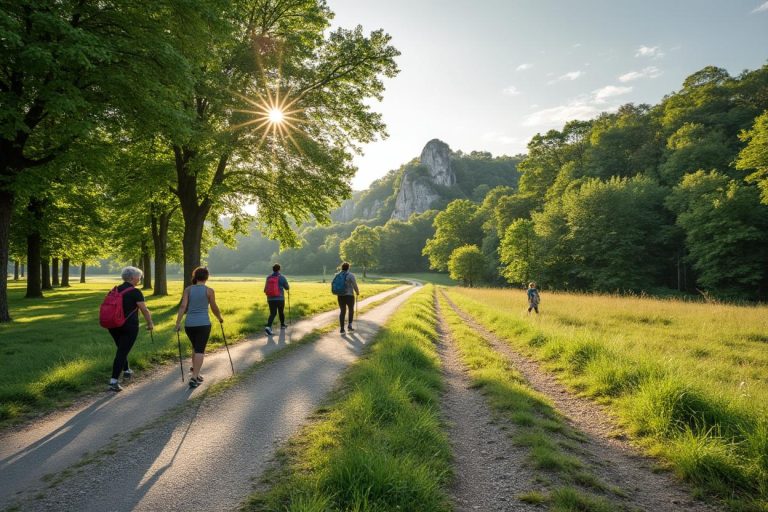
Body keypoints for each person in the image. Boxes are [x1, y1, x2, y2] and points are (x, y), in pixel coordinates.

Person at [175, 267, 224, 388]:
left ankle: (195, 371)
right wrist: (220, 318)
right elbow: (214, 307)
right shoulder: (209, 291)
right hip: (203, 324)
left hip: (189, 324)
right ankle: (194, 377)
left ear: (195, 276)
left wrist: (177, 323)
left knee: (195, 347)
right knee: (200, 350)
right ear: (207, 277)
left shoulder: (188, 290)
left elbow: (182, 306)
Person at [108, 266, 153, 392]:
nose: (140, 279)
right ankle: (113, 381)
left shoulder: (114, 290)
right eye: (139, 277)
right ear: (133, 278)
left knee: (122, 348)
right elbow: (144, 309)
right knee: (122, 352)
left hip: (113, 325)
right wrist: (150, 323)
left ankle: (126, 370)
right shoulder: (135, 292)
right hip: (129, 326)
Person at [263, 263, 289, 336]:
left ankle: (268, 327)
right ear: (279, 269)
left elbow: (265, 289)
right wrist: (285, 286)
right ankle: (282, 325)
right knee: (281, 311)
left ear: (273, 269)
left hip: (270, 299)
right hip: (280, 298)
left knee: (272, 313)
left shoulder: (268, 277)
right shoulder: (282, 277)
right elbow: (287, 287)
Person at [335, 262, 360, 334]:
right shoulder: (351, 275)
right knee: (351, 310)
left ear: (341, 267)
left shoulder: (337, 275)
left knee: (342, 311)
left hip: (340, 296)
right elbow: (354, 285)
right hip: (349, 296)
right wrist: (357, 292)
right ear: (348, 268)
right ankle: (349, 326)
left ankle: (342, 329)